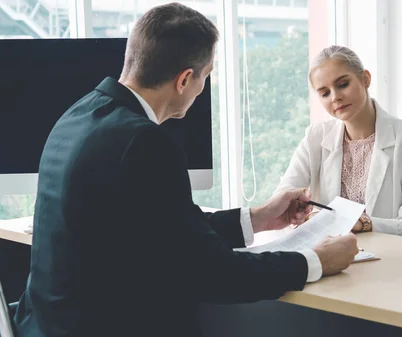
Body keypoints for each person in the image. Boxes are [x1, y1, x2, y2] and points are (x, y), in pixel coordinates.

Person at [12, 4, 358, 337]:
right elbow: (211, 273)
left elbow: (170, 230)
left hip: (44, 326)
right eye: (205, 77)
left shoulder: (78, 114)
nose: (202, 88)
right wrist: (314, 261)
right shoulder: (144, 141)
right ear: (184, 80)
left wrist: (259, 217)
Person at [276, 45, 402, 240]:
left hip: (401, 257)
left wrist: (365, 224)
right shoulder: (315, 137)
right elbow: (282, 202)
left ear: (365, 79)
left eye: (343, 84)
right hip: (336, 257)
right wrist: (297, 215)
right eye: (325, 93)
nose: (335, 97)